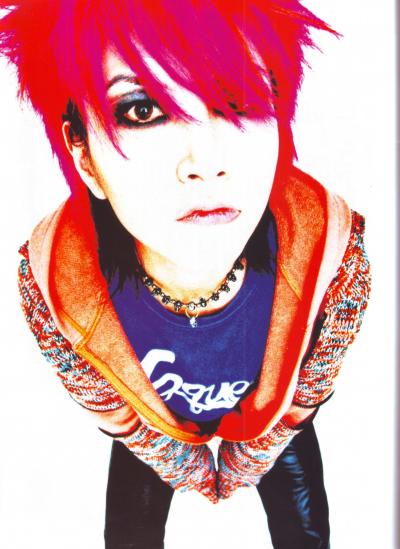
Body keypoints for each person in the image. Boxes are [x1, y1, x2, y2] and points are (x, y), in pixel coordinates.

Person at [0, 1, 371, 548]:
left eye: (241, 100)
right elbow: (117, 413)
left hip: (274, 420)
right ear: (84, 156)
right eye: (143, 109)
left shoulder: (331, 251)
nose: (206, 161)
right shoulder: (56, 283)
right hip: (153, 426)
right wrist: (186, 467)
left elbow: (304, 396)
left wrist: (249, 460)